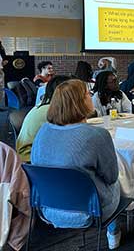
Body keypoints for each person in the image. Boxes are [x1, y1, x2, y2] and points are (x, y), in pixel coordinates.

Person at [31, 79, 122, 249]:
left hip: (48, 208)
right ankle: (114, 231)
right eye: (88, 94)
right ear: (79, 102)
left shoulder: (42, 131)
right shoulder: (98, 135)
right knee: (123, 177)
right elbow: (111, 177)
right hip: (90, 212)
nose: (92, 96)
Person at [16, 75, 72, 162]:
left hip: (28, 153)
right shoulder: (53, 111)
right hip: (31, 158)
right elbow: (71, 136)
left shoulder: (45, 105)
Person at [0, 41, 8, 106]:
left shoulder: (1, 52)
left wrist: (5, 62)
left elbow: (5, 59)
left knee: (1, 89)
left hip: (1, 70)